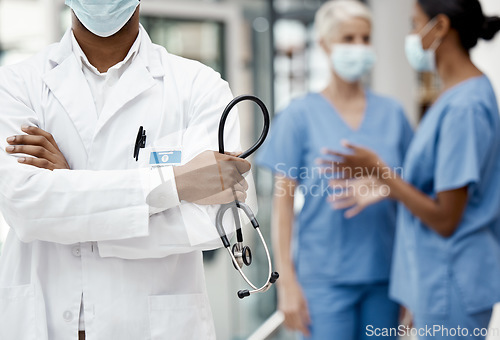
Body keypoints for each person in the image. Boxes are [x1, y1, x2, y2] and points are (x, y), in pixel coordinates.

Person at [0, 1, 252, 339]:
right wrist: (176, 183)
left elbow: (210, 222)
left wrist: (67, 190)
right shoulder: (16, 85)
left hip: (157, 325)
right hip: (44, 318)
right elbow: (27, 208)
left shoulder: (199, 87)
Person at [320, 1, 500, 339]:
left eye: (415, 24)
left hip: (452, 281)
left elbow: (446, 219)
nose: (412, 35)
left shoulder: (465, 107)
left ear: (441, 27)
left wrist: (379, 171)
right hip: (439, 282)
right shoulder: (456, 96)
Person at [256, 1, 413, 339]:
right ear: (325, 45)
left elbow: (414, 192)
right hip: (322, 281)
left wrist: (383, 186)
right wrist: (286, 285)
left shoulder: (393, 115)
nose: (359, 47)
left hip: (385, 278)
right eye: (348, 38)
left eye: (365, 38)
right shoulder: (300, 115)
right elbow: (283, 204)